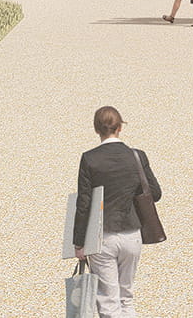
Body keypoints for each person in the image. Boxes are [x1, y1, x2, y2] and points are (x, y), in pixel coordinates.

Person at [73, 106, 162, 318]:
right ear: (120, 127)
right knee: (126, 297)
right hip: (132, 236)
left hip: (101, 238)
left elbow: (84, 203)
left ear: (96, 129)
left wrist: (78, 243)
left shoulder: (89, 159)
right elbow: (156, 193)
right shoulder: (137, 156)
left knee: (108, 300)